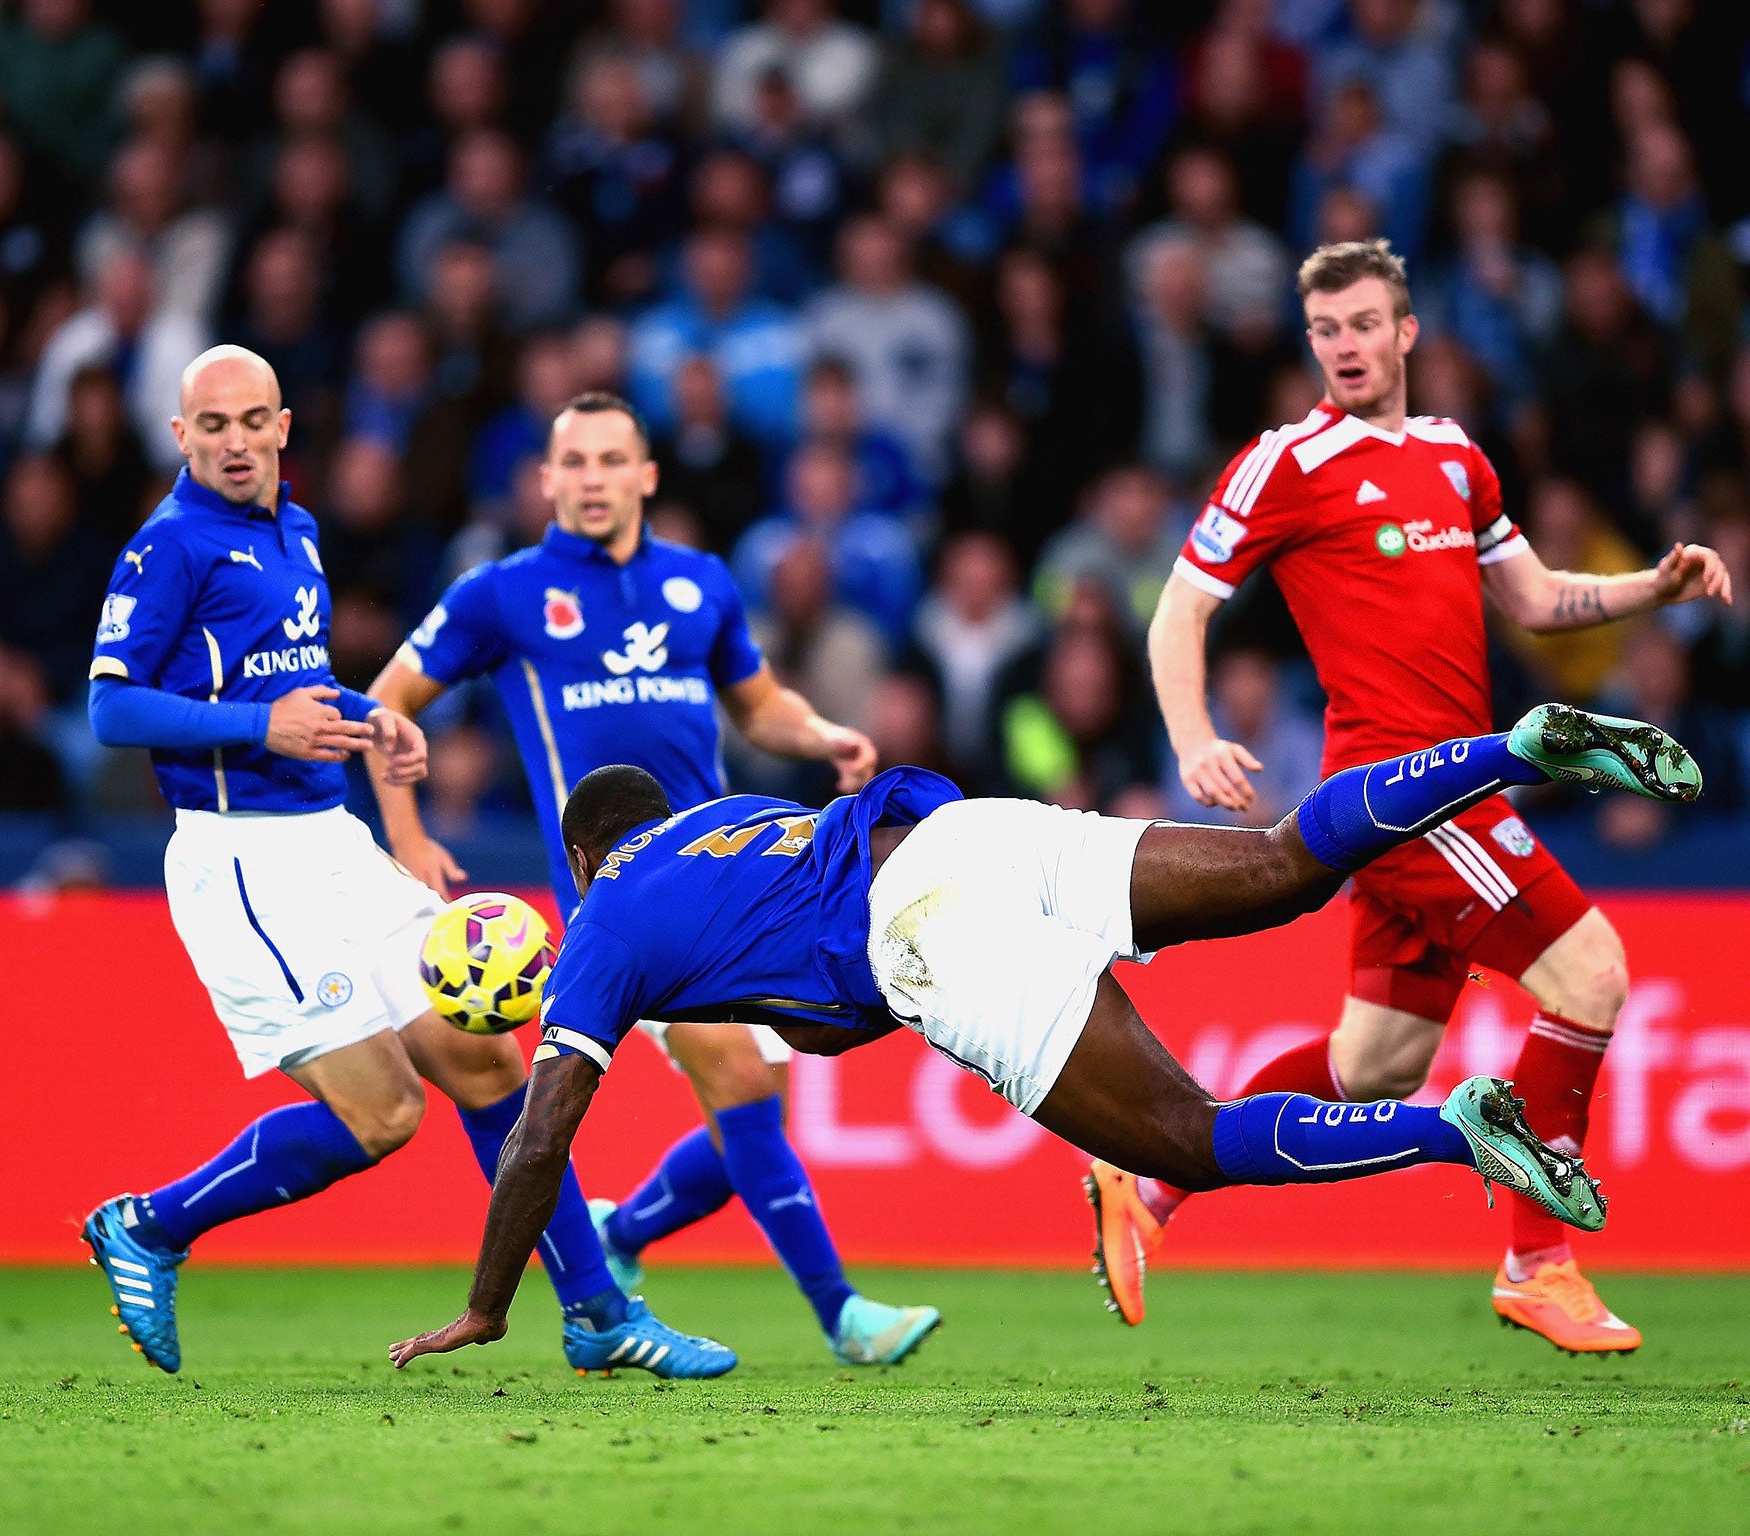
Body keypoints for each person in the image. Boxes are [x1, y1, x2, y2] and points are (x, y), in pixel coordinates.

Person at [386, 703, 1703, 1368]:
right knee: (1282, 862)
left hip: (928, 930)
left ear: (574, 855)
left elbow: (545, 1127)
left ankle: (1446, 1126)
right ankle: (1510, 748)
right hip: (971, 830)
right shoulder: (716, 817)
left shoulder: (604, 917)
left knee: (1184, 1133)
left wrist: (488, 1303)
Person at [79, 348, 730, 1381]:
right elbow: (110, 704)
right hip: (242, 859)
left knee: (488, 1059)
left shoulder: (294, 530)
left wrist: (368, 715)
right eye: (213, 428)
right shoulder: (169, 549)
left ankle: (599, 1314)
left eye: (253, 422)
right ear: (181, 438)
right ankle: (151, 1226)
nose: (236, 443)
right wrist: (262, 724)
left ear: (284, 425)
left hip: (332, 840)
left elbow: (293, 680)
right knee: (383, 1114)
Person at [1146, 239, 1733, 1354]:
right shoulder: (1283, 463)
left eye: (1363, 324)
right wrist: (1190, 738)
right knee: (1592, 973)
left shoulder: (1455, 458)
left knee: (1375, 1065)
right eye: (1322, 331)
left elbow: (1536, 600)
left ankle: (1153, 1178)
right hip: (1404, 793)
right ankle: (1535, 1259)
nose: (1343, 347)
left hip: (1450, 782)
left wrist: (1645, 587)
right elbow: (1178, 609)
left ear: (1406, 332)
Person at [367, 393, 942, 1366]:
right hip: (622, 900)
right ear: (546, 481)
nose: (592, 478)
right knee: (739, 1090)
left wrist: (819, 735)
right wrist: (406, 834)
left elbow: (757, 707)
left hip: (733, 885)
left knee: (748, 1123)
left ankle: (621, 1237)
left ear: (646, 476)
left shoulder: (699, 585)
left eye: (610, 460)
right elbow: (387, 701)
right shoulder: (499, 594)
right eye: (574, 462)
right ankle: (841, 1314)